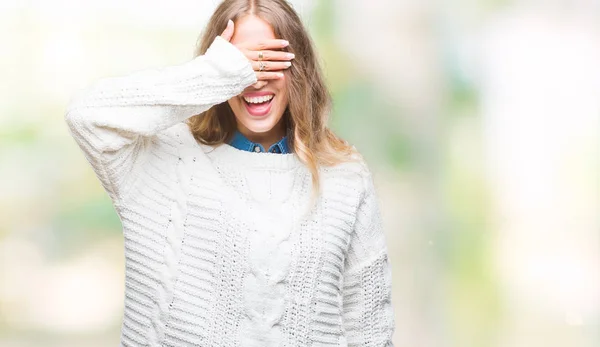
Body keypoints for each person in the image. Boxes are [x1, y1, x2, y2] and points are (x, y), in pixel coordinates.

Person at [64, 0, 396, 346]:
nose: (254, 79)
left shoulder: (345, 176)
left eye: (270, 59)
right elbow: (86, 116)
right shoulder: (160, 160)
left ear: (299, 69)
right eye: (245, 61)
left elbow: (370, 328)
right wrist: (218, 73)